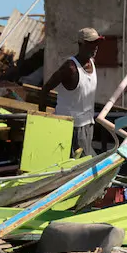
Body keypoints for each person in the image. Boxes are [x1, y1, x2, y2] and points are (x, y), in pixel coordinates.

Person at [42, 27, 101, 157]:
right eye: (91, 43)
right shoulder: (70, 68)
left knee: (83, 162)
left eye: (97, 43)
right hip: (72, 126)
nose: (95, 47)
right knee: (81, 164)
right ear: (81, 44)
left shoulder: (92, 62)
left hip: (88, 124)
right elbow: (46, 89)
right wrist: (43, 119)